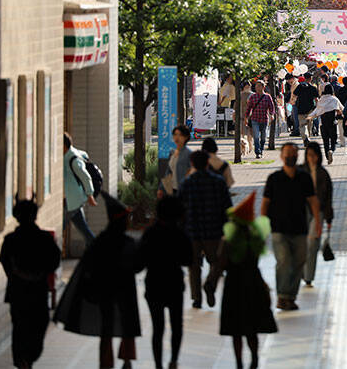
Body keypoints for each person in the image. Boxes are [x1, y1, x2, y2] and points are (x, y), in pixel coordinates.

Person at [55, 195, 141, 369]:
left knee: (106, 329)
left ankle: (106, 363)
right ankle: (126, 359)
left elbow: (88, 267)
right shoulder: (128, 242)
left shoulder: (100, 242)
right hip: (125, 289)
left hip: (105, 290)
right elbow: (138, 265)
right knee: (128, 324)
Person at [204, 193, 277, 369]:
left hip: (234, 285)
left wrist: (210, 284)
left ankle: (238, 363)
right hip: (254, 282)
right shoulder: (255, 238)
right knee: (252, 327)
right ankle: (254, 359)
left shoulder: (228, 240)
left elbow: (220, 264)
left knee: (236, 329)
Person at [0, 199, 61, 369]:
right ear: (35, 215)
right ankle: (29, 358)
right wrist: (40, 273)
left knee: (19, 327)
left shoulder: (10, 240)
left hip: (17, 291)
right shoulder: (42, 239)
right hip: (37, 290)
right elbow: (55, 260)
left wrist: (16, 275)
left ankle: (22, 360)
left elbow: (4, 261)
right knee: (38, 325)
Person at [260, 143, 321, 310]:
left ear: (297, 156)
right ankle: (282, 295)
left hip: (300, 228)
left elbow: (313, 202)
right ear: (281, 156)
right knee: (284, 261)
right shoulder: (274, 178)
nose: (290, 157)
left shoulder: (304, 178)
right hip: (279, 228)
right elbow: (265, 203)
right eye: (287, 153)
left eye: (293, 153)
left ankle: (290, 296)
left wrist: (317, 223)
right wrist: (263, 226)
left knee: (299, 262)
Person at [135, 197, 193, 369]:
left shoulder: (150, 232)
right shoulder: (180, 233)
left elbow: (140, 261)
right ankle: (174, 360)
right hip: (174, 283)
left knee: (157, 328)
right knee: (176, 325)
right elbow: (188, 260)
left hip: (154, 284)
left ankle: (158, 364)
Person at [178, 150, 233, 309]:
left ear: (193, 164)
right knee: (217, 262)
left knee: (193, 266)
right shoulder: (218, 182)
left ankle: (197, 298)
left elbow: (179, 207)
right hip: (213, 230)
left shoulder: (186, 183)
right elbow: (227, 206)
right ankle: (210, 283)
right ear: (208, 163)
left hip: (192, 231)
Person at [301, 142, 334, 287]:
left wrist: (328, 217)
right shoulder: (301, 171)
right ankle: (303, 271)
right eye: (309, 155)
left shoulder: (323, 173)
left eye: (314, 156)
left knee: (313, 243)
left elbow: (328, 197)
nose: (312, 158)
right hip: (302, 211)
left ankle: (308, 276)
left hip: (318, 211)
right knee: (302, 243)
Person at [63, 132, 99, 245]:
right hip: (72, 200)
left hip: (71, 201)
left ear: (64, 146)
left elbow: (85, 177)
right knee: (84, 230)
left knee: (59, 228)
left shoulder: (73, 159)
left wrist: (90, 194)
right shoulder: (67, 155)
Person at [307, 84, 344, 165]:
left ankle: (328, 157)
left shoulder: (321, 100)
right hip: (332, 122)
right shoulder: (334, 99)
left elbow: (316, 111)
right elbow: (342, 109)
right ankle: (332, 150)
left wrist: (310, 117)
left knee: (325, 141)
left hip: (323, 123)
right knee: (333, 140)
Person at [157, 125, 193, 198]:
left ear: (186, 137)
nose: (177, 137)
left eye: (180, 135)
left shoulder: (189, 154)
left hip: (184, 191)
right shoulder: (172, 153)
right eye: (175, 134)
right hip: (172, 190)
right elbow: (169, 172)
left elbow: (192, 172)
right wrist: (161, 188)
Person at [245, 80, 276, 159]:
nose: (257, 88)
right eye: (256, 86)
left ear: (263, 87)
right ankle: (257, 152)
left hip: (264, 119)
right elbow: (248, 108)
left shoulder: (267, 97)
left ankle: (261, 149)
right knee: (256, 136)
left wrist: (272, 114)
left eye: (258, 86)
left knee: (263, 137)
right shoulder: (253, 97)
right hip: (255, 119)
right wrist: (246, 117)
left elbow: (271, 107)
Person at [291, 72, 319, 145]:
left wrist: (293, 101)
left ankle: (305, 138)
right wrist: (318, 108)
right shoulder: (313, 88)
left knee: (302, 125)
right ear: (310, 78)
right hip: (310, 109)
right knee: (309, 124)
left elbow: (294, 95)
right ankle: (307, 138)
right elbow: (316, 99)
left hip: (300, 108)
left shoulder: (299, 86)